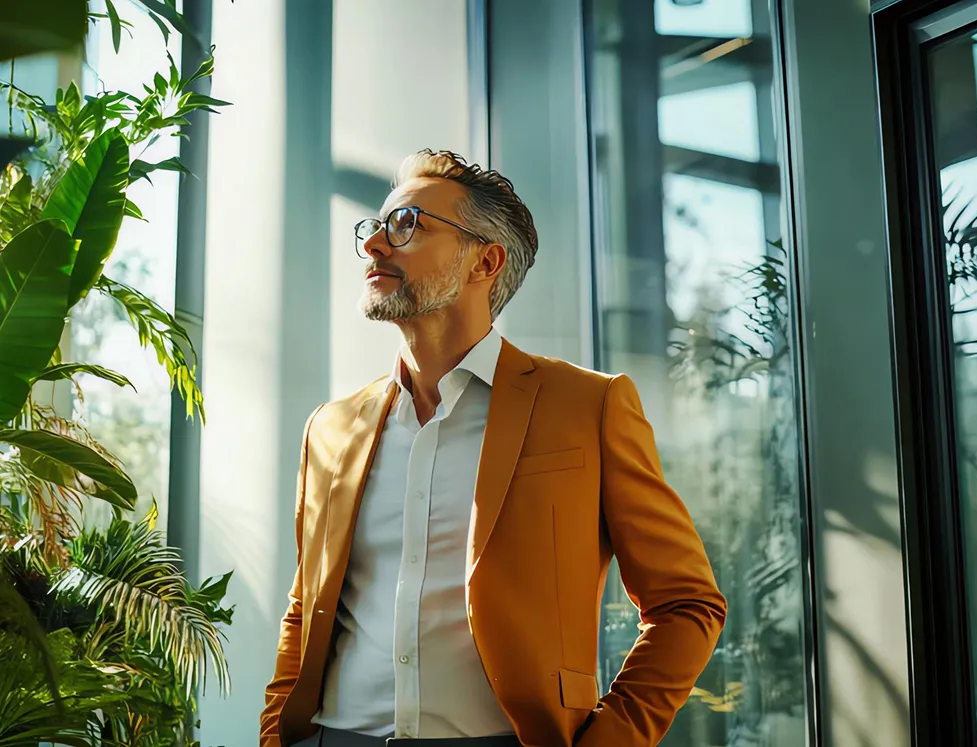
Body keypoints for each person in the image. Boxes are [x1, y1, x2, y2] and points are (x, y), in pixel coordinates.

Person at [260, 149, 726, 747]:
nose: (376, 244)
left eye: (406, 225)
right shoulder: (331, 425)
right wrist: (277, 735)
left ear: (485, 260)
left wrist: (614, 738)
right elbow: (306, 606)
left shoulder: (587, 406)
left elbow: (686, 604)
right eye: (374, 227)